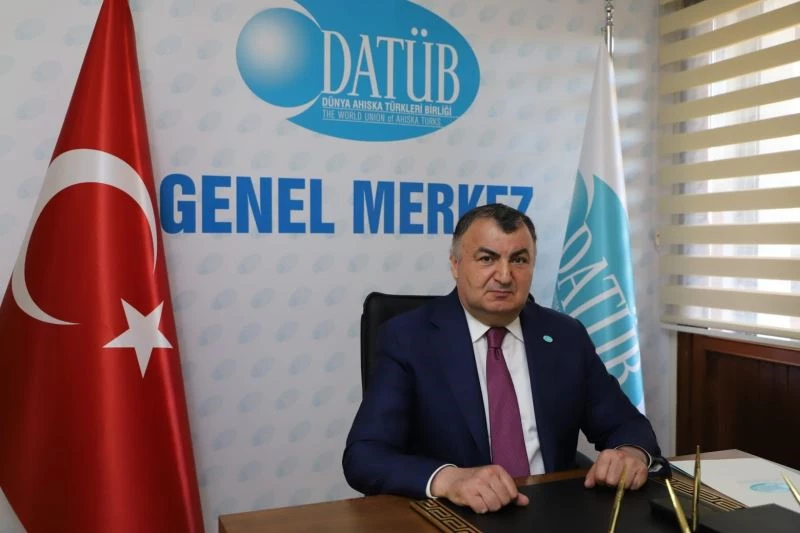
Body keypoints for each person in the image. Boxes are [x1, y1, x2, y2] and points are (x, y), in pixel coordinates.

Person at [343, 203, 662, 514]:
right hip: (455, 515)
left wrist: (629, 454)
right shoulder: (409, 338)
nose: (505, 276)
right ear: (455, 264)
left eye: (519, 260)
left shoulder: (565, 336)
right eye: (487, 258)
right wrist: (449, 479)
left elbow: (627, 424)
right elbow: (365, 456)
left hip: (553, 513)